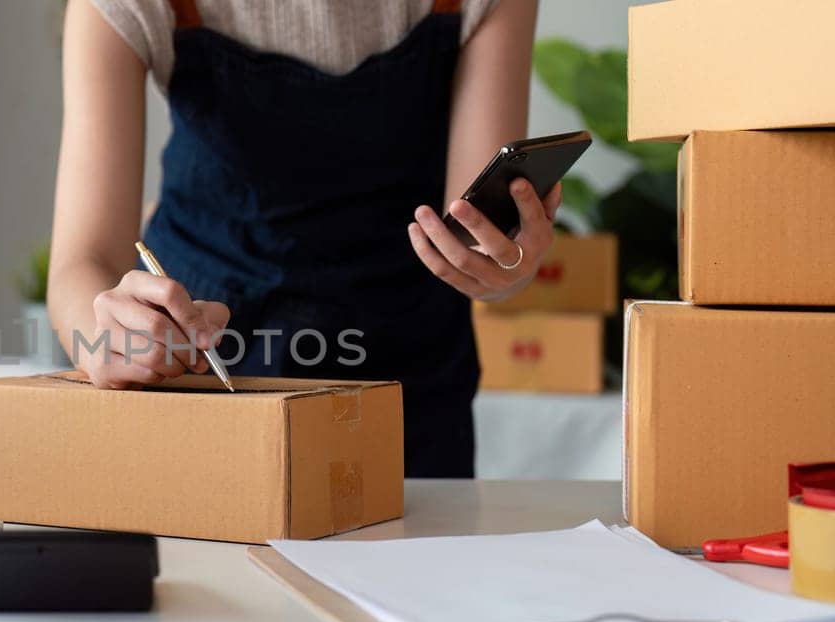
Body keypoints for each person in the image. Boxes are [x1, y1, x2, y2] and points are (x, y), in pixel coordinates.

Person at [46, 0, 562, 478]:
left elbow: (474, 236)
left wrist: (500, 269)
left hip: (405, 379)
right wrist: (106, 336)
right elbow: (82, 262)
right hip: (203, 370)